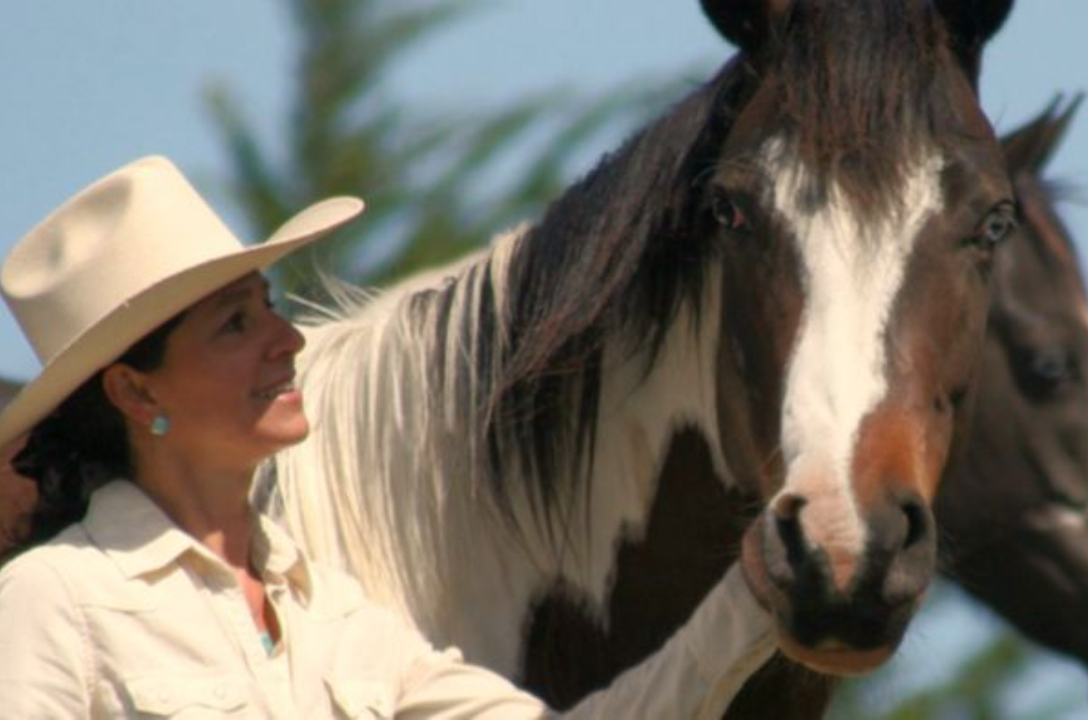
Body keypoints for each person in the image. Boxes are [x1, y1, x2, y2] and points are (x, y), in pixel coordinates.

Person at [0, 156, 776, 717]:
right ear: (136, 390)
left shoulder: (339, 617)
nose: (288, 340)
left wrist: (757, 596)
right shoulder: (52, 605)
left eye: (269, 305)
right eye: (236, 324)